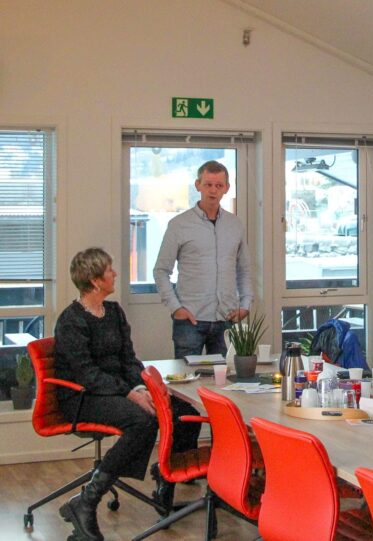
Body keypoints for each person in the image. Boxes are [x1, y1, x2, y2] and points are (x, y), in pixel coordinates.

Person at [55, 248, 200, 541]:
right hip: (83, 397)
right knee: (143, 421)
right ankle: (87, 500)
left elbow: (129, 359)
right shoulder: (71, 321)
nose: (115, 274)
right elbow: (88, 375)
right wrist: (131, 394)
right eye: (109, 270)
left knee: (185, 413)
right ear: (95, 281)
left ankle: (166, 480)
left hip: (118, 390)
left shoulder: (115, 312)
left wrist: (141, 387)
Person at [154, 160, 253, 359]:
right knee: (186, 381)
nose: (213, 191)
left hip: (226, 318)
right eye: (208, 184)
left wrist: (246, 305)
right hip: (190, 320)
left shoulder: (235, 225)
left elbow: (244, 269)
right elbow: (161, 270)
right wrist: (176, 308)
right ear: (198, 185)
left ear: (226, 188)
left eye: (218, 185)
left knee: (226, 382)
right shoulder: (179, 225)